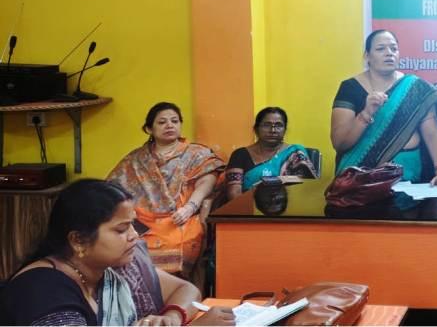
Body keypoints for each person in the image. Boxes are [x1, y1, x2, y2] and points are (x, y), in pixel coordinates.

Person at [0, 180, 235, 326]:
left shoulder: (116, 268)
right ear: (78, 240)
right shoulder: (45, 290)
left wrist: (172, 318)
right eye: (121, 229)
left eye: (133, 225)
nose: (135, 236)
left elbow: (186, 289)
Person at [330, 30, 437, 205]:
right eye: (381, 48)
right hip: (362, 184)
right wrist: (366, 113)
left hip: (412, 179)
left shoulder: (415, 88)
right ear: (367, 56)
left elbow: (432, 132)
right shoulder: (350, 88)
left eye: (393, 48)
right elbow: (340, 142)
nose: (389, 53)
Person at [107, 102, 225, 277]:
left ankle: (175, 288)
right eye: (162, 122)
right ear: (149, 129)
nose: (169, 125)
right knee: (120, 243)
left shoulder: (196, 153)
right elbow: (111, 188)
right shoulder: (136, 159)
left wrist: (190, 207)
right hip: (141, 221)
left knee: (181, 242)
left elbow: (209, 178)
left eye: (174, 121)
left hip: (181, 217)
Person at [226, 107, 317, 200]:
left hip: (288, 205)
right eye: (266, 125)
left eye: (278, 125)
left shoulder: (295, 153)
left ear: (285, 129)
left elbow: (304, 191)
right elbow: (234, 193)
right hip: (247, 206)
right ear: (256, 129)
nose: (273, 130)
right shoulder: (240, 155)